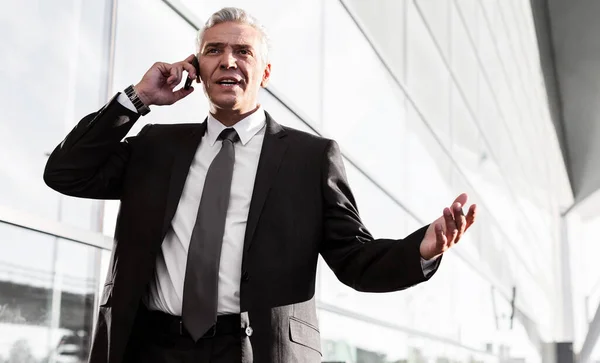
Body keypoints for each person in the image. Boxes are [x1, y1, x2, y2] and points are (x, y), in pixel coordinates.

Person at [44, 7, 476, 363]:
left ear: (264, 71)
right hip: (150, 348)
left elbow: (356, 261)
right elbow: (66, 171)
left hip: (253, 351)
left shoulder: (311, 158)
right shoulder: (157, 146)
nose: (228, 60)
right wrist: (139, 98)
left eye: (242, 51)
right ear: (197, 70)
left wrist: (424, 247)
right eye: (213, 51)